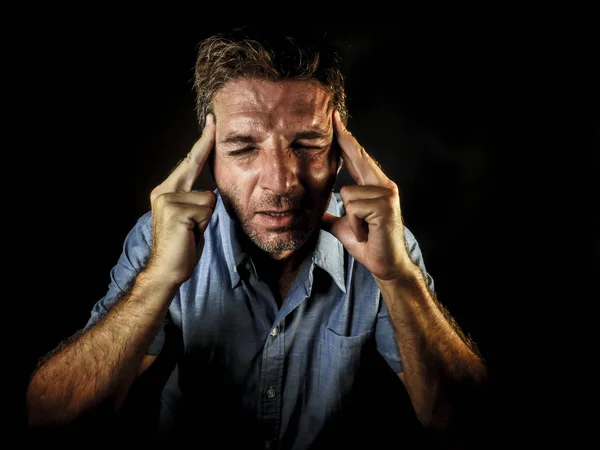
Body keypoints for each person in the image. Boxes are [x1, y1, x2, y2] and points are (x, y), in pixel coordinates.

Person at [26, 26, 490, 448]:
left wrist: (398, 279)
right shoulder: (161, 240)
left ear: (340, 155)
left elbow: (460, 420)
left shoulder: (385, 242)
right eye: (244, 148)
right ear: (208, 160)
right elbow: (52, 420)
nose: (281, 181)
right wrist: (157, 282)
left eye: (307, 145)